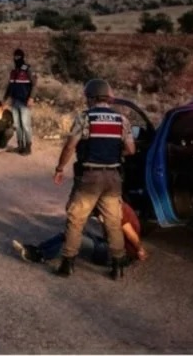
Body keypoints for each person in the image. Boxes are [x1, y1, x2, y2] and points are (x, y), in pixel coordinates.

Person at [53, 78, 136, 280]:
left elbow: (70, 146)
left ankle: (68, 263)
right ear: (108, 97)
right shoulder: (122, 120)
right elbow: (131, 150)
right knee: (113, 223)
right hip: (113, 178)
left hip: (90, 177)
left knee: (76, 219)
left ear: (90, 98)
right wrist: (115, 155)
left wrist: (60, 168)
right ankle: (118, 266)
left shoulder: (85, 118)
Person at [11, 201, 149, 266]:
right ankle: (39, 249)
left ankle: (40, 256)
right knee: (69, 233)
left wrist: (140, 250)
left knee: (73, 238)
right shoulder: (112, 206)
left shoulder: (118, 212)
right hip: (109, 246)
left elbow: (130, 233)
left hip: (115, 255)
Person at [3, 48, 37, 155]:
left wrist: (31, 98)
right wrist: (5, 99)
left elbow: (35, 85)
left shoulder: (28, 69)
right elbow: (10, 86)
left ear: (22, 57)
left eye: (18, 56)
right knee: (17, 125)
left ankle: (28, 147)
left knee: (26, 125)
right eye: (15, 56)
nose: (16, 58)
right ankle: (20, 145)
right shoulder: (13, 72)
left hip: (24, 102)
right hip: (14, 101)